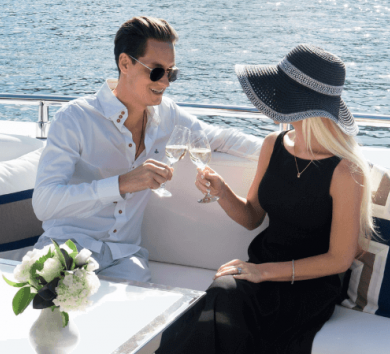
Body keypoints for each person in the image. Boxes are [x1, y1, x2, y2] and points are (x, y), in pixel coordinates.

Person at [162, 44, 376, 354]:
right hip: (260, 270)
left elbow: (340, 259)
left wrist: (263, 273)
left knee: (220, 298)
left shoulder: (345, 170)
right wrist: (221, 191)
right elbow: (252, 217)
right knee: (220, 300)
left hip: (308, 285)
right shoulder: (273, 144)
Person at [31, 16, 261, 282]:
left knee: (145, 322)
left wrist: (285, 150)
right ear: (125, 63)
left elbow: (222, 139)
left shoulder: (168, 114)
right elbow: (44, 204)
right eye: (156, 71)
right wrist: (121, 184)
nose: (164, 82)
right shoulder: (74, 118)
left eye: (171, 73)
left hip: (124, 259)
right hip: (64, 252)